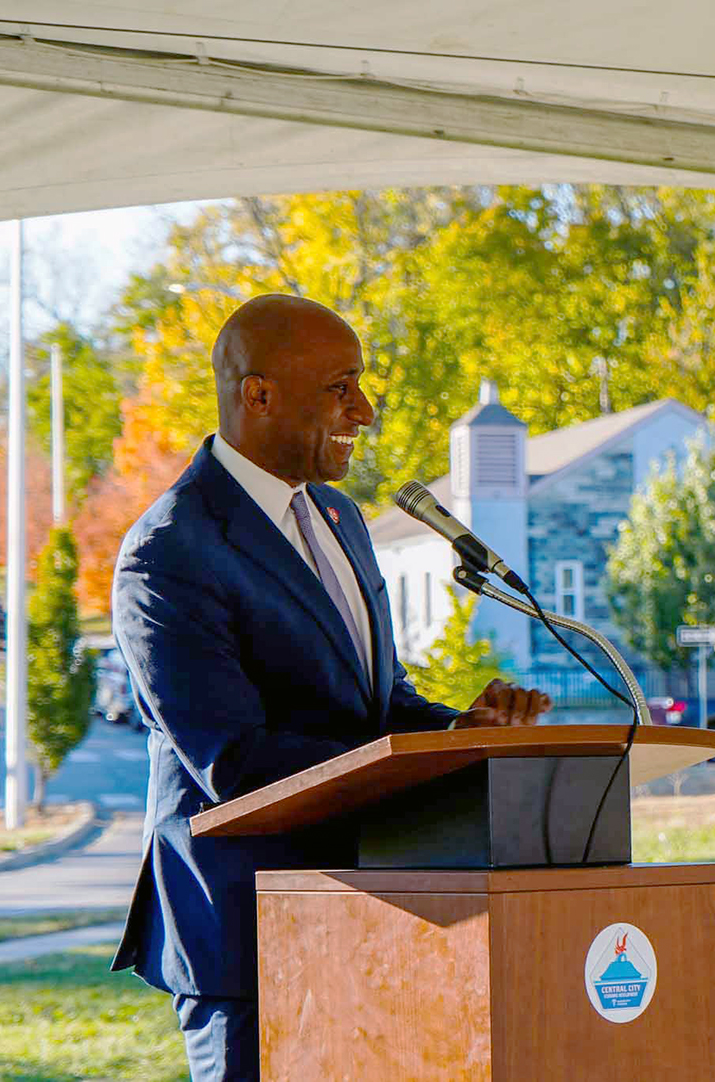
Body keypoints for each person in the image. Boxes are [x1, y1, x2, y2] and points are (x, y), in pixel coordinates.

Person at [109, 294, 550, 1081]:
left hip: (378, 906)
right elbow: (233, 761)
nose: (367, 412)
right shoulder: (170, 551)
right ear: (259, 394)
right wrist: (418, 756)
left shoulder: (341, 518)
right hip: (246, 930)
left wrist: (458, 730)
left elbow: (380, 700)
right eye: (341, 387)